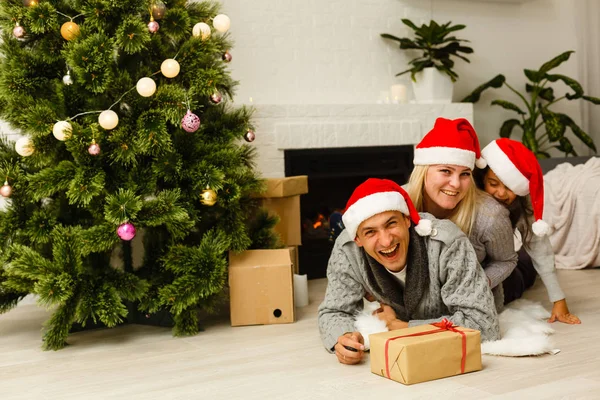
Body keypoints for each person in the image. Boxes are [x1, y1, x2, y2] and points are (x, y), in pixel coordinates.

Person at [317, 178, 500, 365]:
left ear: (407, 220)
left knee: (519, 278)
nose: (386, 241)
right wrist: (344, 337)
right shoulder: (347, 249)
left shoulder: (447, 242)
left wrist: (403, 327)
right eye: (370, 232)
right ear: (358, 240)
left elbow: (484, 326)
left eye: (391, 224)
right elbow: (333, 311)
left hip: (492, 282)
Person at [405, 117, 518, 309]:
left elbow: (507, 260)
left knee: (524, 270)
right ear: (424, 171)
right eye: (446, 171)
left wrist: (478, 284)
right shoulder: (397, 204)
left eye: (465, 174)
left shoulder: (490, 215)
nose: (456, 184)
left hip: (490, 281)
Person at [478, 138, 581, 324]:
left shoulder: (521, 208)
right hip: (482, 264)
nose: (501, 193)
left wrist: (559, 300)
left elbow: (540, 249)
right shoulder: (471, 198)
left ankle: (527, 268)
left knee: (524, 265)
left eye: (509, 187)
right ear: (482, 179)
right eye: (493, 184)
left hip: (506, 270)